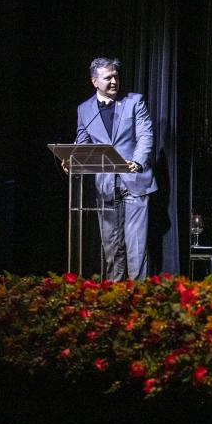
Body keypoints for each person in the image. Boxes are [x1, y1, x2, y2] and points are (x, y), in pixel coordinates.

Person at [70, 57, 157, 281]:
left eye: (115, 76)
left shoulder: (134, 102)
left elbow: (145, 135)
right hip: (106, 186)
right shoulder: (84, 110)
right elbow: (83, 143)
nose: (113, 81)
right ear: (94, 81)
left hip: (134, 183)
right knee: (111, 248)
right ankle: (115, 299)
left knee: (136, 248)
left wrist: (137, 162)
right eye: (107, 78)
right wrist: (73, 160)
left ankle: (139, 298)